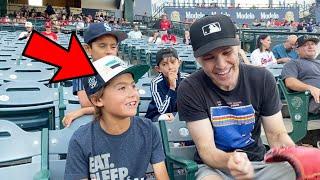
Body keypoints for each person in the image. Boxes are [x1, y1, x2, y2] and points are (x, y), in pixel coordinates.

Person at [177, 14, 296, 180]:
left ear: (238, 46)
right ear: (198, 59)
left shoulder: (262, 78)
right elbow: (207, 150)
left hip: (259, 164)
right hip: (213, 167)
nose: (221, 64)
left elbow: (276, 135)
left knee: (299, 172)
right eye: (209, 57)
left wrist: (297, 156)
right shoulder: (190, 88)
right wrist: (230, 161)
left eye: (227, 52)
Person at [64, 55, 169, 179]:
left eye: (133, 86)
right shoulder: (81, 140)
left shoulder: (148, 129)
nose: (133, 93)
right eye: (122, 88)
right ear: (97, 100)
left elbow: (162, 176)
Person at [62, 22, 127, 127]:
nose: (109, 51)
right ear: (88, 49)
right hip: (95, 121)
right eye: (102, 46)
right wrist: (84, 110)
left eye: (113, 47)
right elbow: (87, 104)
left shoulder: (121, 68)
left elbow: (127, 101)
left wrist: (83, 111)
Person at [145, 48, 188, 121]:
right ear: (158, 69)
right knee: (165, 118)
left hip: (180, 115)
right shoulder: (156, 82)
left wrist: (176, 115)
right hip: (158, 116)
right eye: (164, 64)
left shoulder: (187, 79)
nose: (170, 67)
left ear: (179, 63)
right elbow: (162, 111)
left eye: (173, 62)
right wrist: (172, 87)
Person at [281, 35, 320, 114]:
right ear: (297, 50)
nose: (310, 47)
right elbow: (290, 82)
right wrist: (310, 88)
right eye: (305, 45)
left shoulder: (318, 62)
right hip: (312, 99)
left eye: (312, 44)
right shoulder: (293, 63)